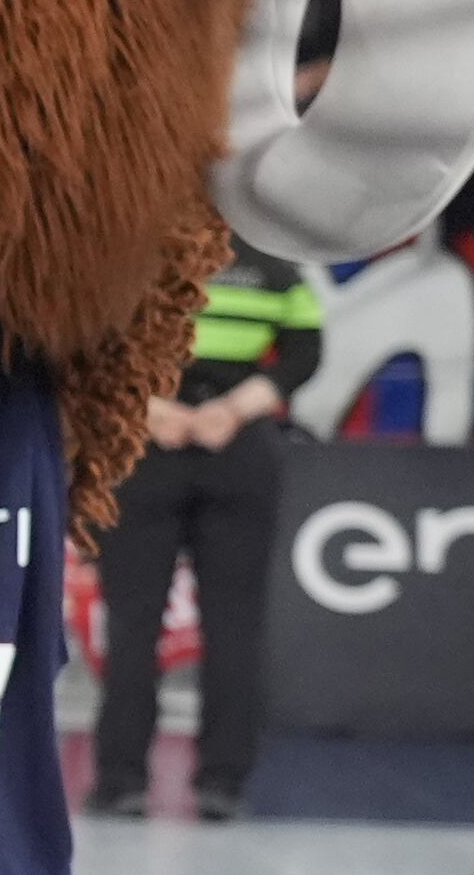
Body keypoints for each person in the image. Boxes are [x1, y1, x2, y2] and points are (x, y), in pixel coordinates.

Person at [86, 247, 321, 820]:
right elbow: (306, 352)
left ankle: (121, 782)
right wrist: (232, 411)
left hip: (147, 450)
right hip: (236, 450)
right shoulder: (276, 266)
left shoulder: (135, 255)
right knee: (234, 623)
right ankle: (223, 783)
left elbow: (92, 340)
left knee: (134, 622)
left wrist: (150, 407)